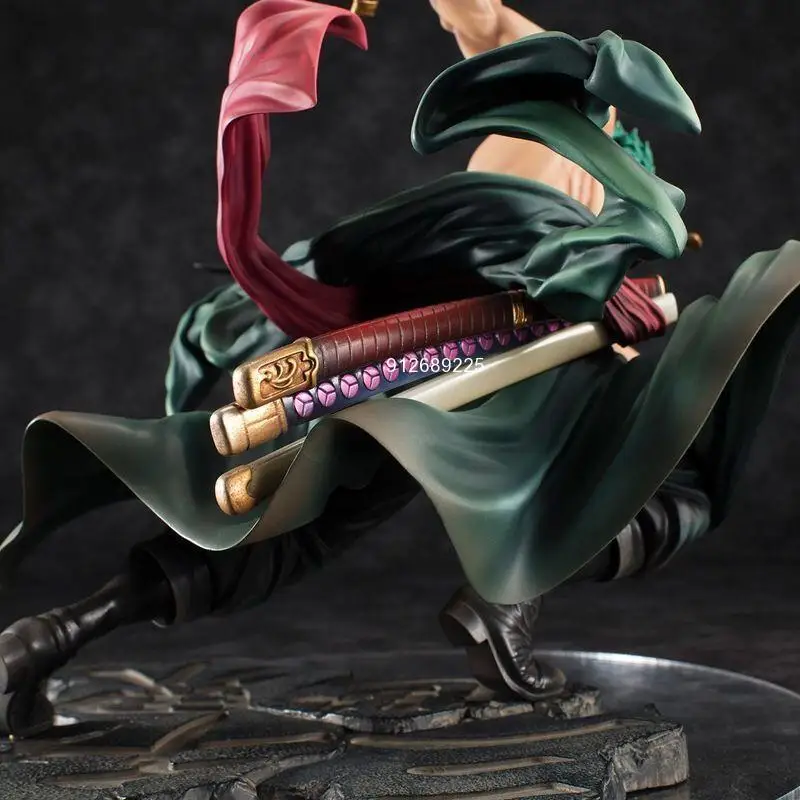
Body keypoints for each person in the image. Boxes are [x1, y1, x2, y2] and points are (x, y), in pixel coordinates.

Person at [1, 0, 799, 736]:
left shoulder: (583, 130)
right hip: (474, 343)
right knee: (650, 484)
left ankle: (54, 632)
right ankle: (505, 601)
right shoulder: (556, 88)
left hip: (463, 356)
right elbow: (478, 16)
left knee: (292, 532)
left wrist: (613, 319)